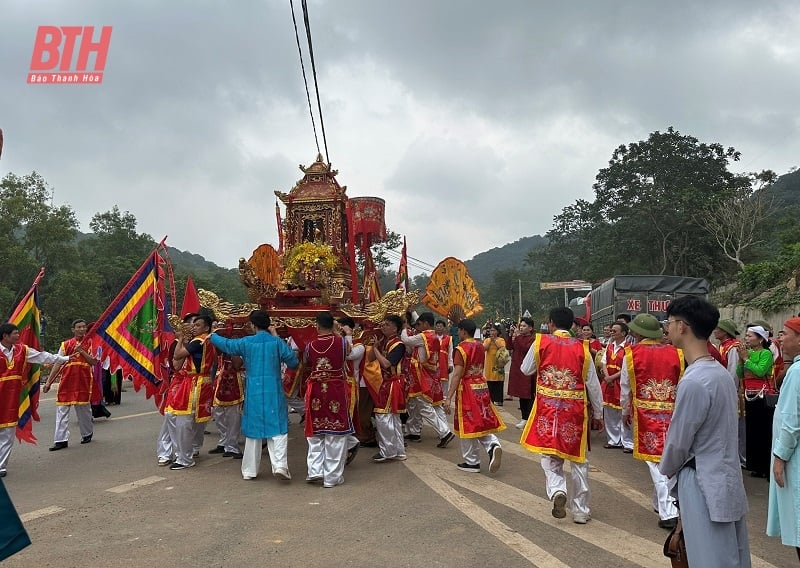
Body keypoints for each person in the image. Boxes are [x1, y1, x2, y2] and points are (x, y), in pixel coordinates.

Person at [659, 295, 750, 568]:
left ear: (683, 326)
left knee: (707, 556)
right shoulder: (720, 374)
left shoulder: (695, 381)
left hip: (700, 480)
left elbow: (678, 442)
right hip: (726, 476)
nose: (668, 329)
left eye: (670, 323)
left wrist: (666, 469)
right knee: (730, 554)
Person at [520, 307, 604, 525]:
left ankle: (557, 489)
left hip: (547, 410)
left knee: (550, 456)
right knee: (578, 460)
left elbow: (525, 369)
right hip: (574, 411)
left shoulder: (541, 342)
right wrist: (599, 412)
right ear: (573, 326)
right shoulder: (582, 348)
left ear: (550, 323)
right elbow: (593, 385)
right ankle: (580, 511)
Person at [210, 310, 298, 481]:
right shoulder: (277, 343)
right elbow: (293, 362)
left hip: (254, 391)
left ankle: (249, 471)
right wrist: (277, 337)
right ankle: (279, 465)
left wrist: (212, 335)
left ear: (253, 325)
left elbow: (227, 345)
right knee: (278, 428)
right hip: (273, 391)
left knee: (253, 432)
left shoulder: (247, 342)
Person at [621, 313, 685, 529]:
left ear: (638, 333)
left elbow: (625, 387)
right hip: (672, 413)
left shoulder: (631, 353)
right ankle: (660, 504)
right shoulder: (676, 353)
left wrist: (624, 411)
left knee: (656, 462)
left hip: (645, 414)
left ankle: (669, 512)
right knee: (667, 457)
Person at [0, 323, 68, 476]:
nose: (18, 336)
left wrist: (64, 358)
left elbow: (42, 356)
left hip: (10, 399)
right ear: (5, 336)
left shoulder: (22, 350)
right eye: (15, 333)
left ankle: (1, 466)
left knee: (8, 432)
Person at [443, 319, 505, 474]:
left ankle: (472, 461)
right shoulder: (479, 345)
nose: (458, 332)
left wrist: (449, 396)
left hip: (467, 389)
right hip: (481, 386)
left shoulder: (461, 349)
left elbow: (457, 375)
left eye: (459, 330)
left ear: (463, 331)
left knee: (468, 423)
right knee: (480, 421)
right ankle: (492, 444)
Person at [303, 312, 354, 487]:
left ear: (317, 326)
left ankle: (314, 471)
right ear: (332, 325)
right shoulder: (340, 342)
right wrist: (339, 333)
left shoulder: (310, 345)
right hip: (335, 390)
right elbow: (348, 353)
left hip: (317, 389)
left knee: (316, 432)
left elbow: (307, 362)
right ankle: (331, 477)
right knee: (336, 434)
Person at [164, 314, 217, 470]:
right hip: (202, 382)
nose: (193, 327)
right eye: (193, 325)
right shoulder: (209, 340)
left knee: (183, 420)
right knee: (195, 421)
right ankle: (192, 450)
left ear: (206, 327)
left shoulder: (199, 340)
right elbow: (178, 364)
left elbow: (178, 355)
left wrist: (180, 339)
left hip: (195, 383)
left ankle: (185, 458)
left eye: (197, 325)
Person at [767, 317, 800, 561]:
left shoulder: (796, 372)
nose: (781, 339)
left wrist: (780, 457)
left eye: (786, 334)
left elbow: (790, 421)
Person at [42, 319, 97, 451]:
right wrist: (48, 382)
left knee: (83, 410)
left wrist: (82, 351)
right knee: (61, 410)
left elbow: (93, 362)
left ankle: (87, 434)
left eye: (84, 327)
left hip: (83, 380)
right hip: (67, 381)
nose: (82, 329)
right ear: (73, 330)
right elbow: (57, 363)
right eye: (79, 327)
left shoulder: (91, 343)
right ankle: (60, 440)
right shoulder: (65, 345)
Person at [401, 312, 454, 447]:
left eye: (419, 324)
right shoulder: (433, 336)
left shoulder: (423, 336)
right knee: (417, 404)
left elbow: (406, 340)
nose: (417, 326)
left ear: (425, 323)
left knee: (424, 407)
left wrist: (403, 328)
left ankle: (444, 432)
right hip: (430, 374)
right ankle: (414, 431)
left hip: (420, 375)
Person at [365, 315, 407, 462]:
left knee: (383, 416)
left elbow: (387, 364)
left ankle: (388, 451)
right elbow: (370, 359)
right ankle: (398, 451)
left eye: (387, 325)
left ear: (395, 328)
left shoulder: (398, 344)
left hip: (393, 383)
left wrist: (376, 349)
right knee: (392, 418)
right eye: (383, 324)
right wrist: (373, 345)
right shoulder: (384, 341)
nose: (383, 327)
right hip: (387, 382)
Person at [736, 324, 774, 478]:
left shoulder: (766, 354)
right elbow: (740, 374)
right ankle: (756, 465)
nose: (747, 338)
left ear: (760, 339)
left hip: (762, 396)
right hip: (750, 395)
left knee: (763, 431)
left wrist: (746, 359)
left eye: (750, 336)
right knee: (752, 431)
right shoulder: (749, 353)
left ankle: (765, 466)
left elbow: (760, 371)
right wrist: (741, 360)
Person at [600, 322, 631, 451]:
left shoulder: (628, 348)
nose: (611, 333)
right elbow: (604, 362)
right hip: (608, 383)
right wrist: (607, 377)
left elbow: (626, 368)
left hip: (620, 382)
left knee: (624, 411)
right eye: (611, 331)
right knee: (609, 413)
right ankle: (613, 440)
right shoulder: (609, 346)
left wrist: (612, 378)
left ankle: (628, 442)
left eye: (614, 331)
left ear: (623, 333)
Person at [208, 354, 244, 459]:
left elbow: (238, 364)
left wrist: (230, 348)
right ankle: (224, 441)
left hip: (235, 379)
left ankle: (232, 446)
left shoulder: (241, 341)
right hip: (220, 379)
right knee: (217, 412)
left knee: (233, 415)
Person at [507, 317, 536, 430]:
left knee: (528, 395)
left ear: (530, 328)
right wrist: (510, 335)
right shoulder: (519, 337)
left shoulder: (532, 339)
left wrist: (517, 336)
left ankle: (529, 418)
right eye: (521, 326)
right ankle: (524, 418)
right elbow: (509, 347)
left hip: (528, 371)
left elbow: (525, 348)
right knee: (521, 395)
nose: (521, 328)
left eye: (524, 326)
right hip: (517, 368)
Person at [482, 324, 507, 406]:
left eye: (494, 330)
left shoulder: (501, 340)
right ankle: (491, 399)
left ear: (497, 331)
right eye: (491, 330)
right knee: (490, 382)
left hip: (498, 363)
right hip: (489, 364)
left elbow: (502, 347)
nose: (492, 332)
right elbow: (484, 348)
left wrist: (495, 340)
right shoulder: (487, 340)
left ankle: (499, 400)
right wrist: (490, 341)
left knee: (499, 381)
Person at [434, 319, 453, 396]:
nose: (439, 328)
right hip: (434, 363)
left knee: (444, 381)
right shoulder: (432, 337)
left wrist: (450, 364)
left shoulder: (448, 338)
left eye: (440, 326)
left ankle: (444, 398)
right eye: (437, 326)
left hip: (444, 363)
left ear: (444, 328)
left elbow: (450, 352)